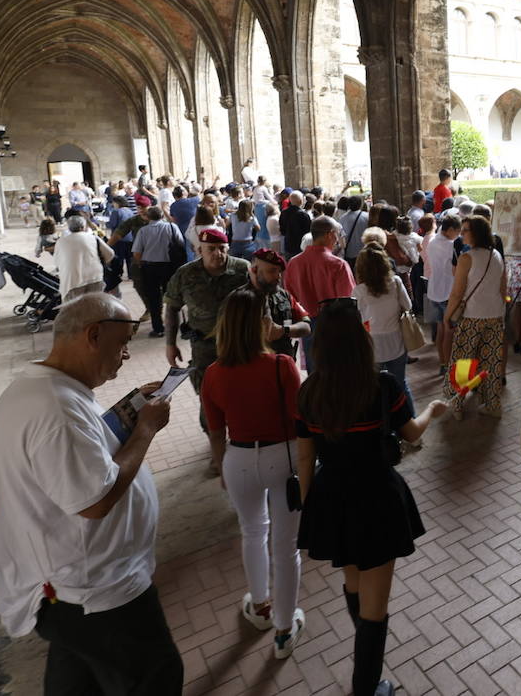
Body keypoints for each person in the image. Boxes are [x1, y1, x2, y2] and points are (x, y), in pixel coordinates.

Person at [0, 293, 183, 694]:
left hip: (73, 590)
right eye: (122, 344)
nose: (125, 355)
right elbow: (96, 500)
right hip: (95, 593)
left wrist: (128, 411)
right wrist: (144, 429)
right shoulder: (55, 411)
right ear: (93, 335)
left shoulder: (47, 390)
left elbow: (82, 453)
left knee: (77, 682)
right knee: (156, 677)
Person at [294, 298, 447, 696]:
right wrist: (432, 410)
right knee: (375, 610)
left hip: (333, 495)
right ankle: (366, 688)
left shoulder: (309, 393)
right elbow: (411, 433)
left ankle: (365, 659)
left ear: (320, 345)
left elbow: (306, 454)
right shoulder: (382, 385)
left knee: (355, 582)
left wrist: (312, 506)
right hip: (377, 498)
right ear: (361, 339)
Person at [201, 287, 305, 658]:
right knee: (285, 545)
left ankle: (259, 605)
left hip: (239, 458)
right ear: (261, 323)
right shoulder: (281, 365)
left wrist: (222, 468)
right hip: (284, 457)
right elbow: (300, 421)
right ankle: (282, 628)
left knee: (252, 532)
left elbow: (215, 430)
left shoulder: (213, 374)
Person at [163, 227, 251, 470]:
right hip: (204, 347)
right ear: (198, 250)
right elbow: (172, 307)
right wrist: (170, 343)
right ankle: (217, 448)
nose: (217, 254)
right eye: (210, 249)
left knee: (243, 391)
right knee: (208, 394)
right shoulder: (186, 274)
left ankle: (243, 439)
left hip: (240, 344)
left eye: (222, 248)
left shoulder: (243, 269)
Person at [442, 214, 507, 418]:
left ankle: (457, 403)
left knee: (463, 362)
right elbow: (503, 287)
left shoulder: (466, 258)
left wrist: (447, 316)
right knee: (490, 362)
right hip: (495, 315)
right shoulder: (495, 254)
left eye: (465, 230)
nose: (461, 234)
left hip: (472, 317)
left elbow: (457, 292)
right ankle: (491, 404)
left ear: (476, 233)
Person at [285, 216, 356, 371]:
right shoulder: (338, 265)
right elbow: (348, 302)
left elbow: (289, 299)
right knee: (338, 370)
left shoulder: (294, 263)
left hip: (307, 324)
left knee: (315, 370)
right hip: (334, 324)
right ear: (329, 234)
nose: (337, 239)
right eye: (337, 234)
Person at [353, 244, 414, 392]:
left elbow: (358, 318)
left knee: (373, 387)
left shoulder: (359, 291)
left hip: (372, 343)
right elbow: (408, 305)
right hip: (396, 340)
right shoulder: (396, 282)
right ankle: (407, 414)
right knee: (400, 385)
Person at [249, 248, 312, 362]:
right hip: (252, 364)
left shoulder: (284, 295)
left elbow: (306, 326)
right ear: (255, 270)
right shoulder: (241, 298)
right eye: (272, 271)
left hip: (282, 364)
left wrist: (284, 330)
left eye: (279, 272)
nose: (278, 277)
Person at [131, 205, 184, 337]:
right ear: (162, 216)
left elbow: (137, 253)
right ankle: (178, 326)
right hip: (169, 267)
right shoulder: (172, 227)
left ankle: (158, 328)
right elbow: (181, 245)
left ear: (148, 217)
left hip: (150, 268)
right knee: (174, 297)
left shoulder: (143, 231)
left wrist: (141, 263)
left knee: (153, 299)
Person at [422, 214, 460, 371]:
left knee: (440, 329)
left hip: (433, 290)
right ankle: (449, 365)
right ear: (450, 230)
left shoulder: (432, 242)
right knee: (449, 331)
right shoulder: (450, 246)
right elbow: (455, 270)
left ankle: (443, 363)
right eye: (457, 232)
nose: (458, 236)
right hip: (447, 292)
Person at [53, 215, 115, 300]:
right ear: (83, 226)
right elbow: (110, 254)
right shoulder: (93, 238)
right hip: (95, 277)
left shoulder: (61, 241)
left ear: (69, 228)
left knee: (74, 309)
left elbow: (57, 263)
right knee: (94, 305)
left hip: (73, 281)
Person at [279, 191, 311, 259]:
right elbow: (308, 232)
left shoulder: (284, 212)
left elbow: (282, 230)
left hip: (288, 245)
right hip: (300, 247)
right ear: (301, 201)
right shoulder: (303, 214)